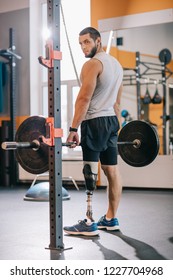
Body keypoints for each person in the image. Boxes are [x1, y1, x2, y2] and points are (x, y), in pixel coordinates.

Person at [63, 27, 123, 236]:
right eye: (80, 43)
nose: (83, 47)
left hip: (94, 122)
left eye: (87, 42)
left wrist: (72, 129)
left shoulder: (92, 64)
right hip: (111, 122)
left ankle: (88, 222)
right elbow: (116, 103)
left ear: (98, 41)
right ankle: (110, 218)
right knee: (111, 171)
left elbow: (84, 99)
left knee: (90, 171)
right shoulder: (117, 65)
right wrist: (117, 126)